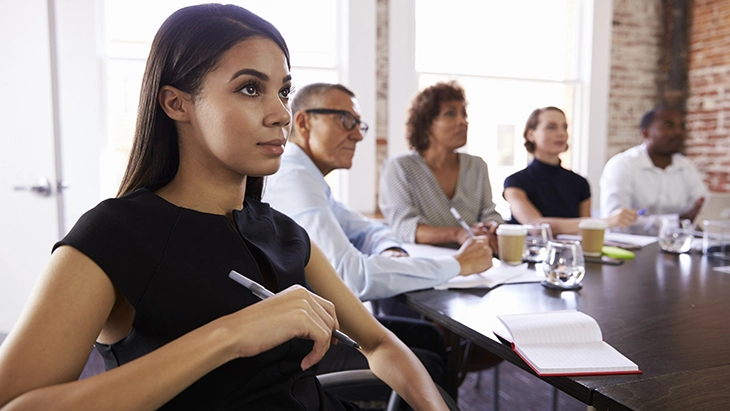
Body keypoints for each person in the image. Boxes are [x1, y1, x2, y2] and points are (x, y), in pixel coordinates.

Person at [0, 5, 449, 411]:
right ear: (177, 103)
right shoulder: (115, 235)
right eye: (251, 88)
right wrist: (230, 335)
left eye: (284, 91)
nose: (280, 114)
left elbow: (379, 344)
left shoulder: (287, 235)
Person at [263, 82, 494, 382]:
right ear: (305, 122)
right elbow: (352, 277)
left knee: (431, 338)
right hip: (303, 345)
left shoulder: (309, 177)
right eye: (346, 120)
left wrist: (387, 249)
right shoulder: (294, 178)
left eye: (359, 124)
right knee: (427, 362)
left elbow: (369, 229)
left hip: (322, 323)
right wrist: (459, 265)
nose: (358, 134)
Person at [379, 81, 504, 251]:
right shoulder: (400, 167)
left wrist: (493, 226)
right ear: (426, 125)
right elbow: (404, 227)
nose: (462, 122)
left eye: (464, 114)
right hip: (422, 265)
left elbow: (489, 212)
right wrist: (457, 234)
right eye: (450, 114)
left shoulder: (477, 166)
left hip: (476, 263)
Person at [503, 106, 637, 235]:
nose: (561, 133)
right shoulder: (515, 182)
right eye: (551, 127)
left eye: (564, 127)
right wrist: (604, 221)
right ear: (530, 134)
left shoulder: (580, 183)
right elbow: (535, 226)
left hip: (572, 256)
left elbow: (587, 233)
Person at [600, 106, 709, 235]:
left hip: (677, 245)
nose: (679, 132)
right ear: (645, 133)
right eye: (669, 126)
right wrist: (677, 221)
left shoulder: (686, 166)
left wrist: (688, 218)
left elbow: (703, 210)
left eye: (682, 127)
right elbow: (615, 222)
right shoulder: (622, 165)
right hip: (632, 249)